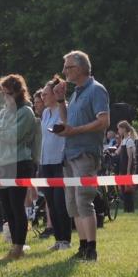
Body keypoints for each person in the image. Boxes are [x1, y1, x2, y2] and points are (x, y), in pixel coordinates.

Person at [54, 50, 110, 261]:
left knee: (83, 200)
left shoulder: (96, 90)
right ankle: (83, 246)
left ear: (79, 68)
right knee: (72, 204)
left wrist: (74, 131)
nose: (64, 71)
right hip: (70, 153)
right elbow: (67, 122)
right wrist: (61, 101)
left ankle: (92, 249)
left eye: (67, 67)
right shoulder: (76, 93)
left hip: (86, 153)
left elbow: (104, 122)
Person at [0, 74, 36, 260]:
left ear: (19, 92)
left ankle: (19, 246)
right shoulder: (4, 112)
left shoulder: (26, 112)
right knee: (7, 207)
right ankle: (14, 246)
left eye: (9, 93)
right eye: (3, 93)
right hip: (3, 163)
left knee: (16, 206)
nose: (6, 97)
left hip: (20, 163)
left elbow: (13, 136)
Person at [39, 76, 71, 251]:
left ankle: (66, 240)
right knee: (51, 203)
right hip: (46, 163)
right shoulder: (45, 113)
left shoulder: (63, 108)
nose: (42, 97)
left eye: (45, 94)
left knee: (60, 203)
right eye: (42, 94)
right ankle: (58, 239)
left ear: (54, 94)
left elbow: (67, 128)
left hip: (60, 161)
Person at [116, 120, 137, 213]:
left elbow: (130, 158)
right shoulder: (123, 141)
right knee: (123, 189)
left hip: (127, 168)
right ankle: (126, 208)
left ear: (124, 129)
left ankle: (130, 209)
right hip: (122, 168)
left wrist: (128, 171)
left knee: (128, 189)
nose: (118, 131)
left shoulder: (129, 141)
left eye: (119, 129)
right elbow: (117, 151)